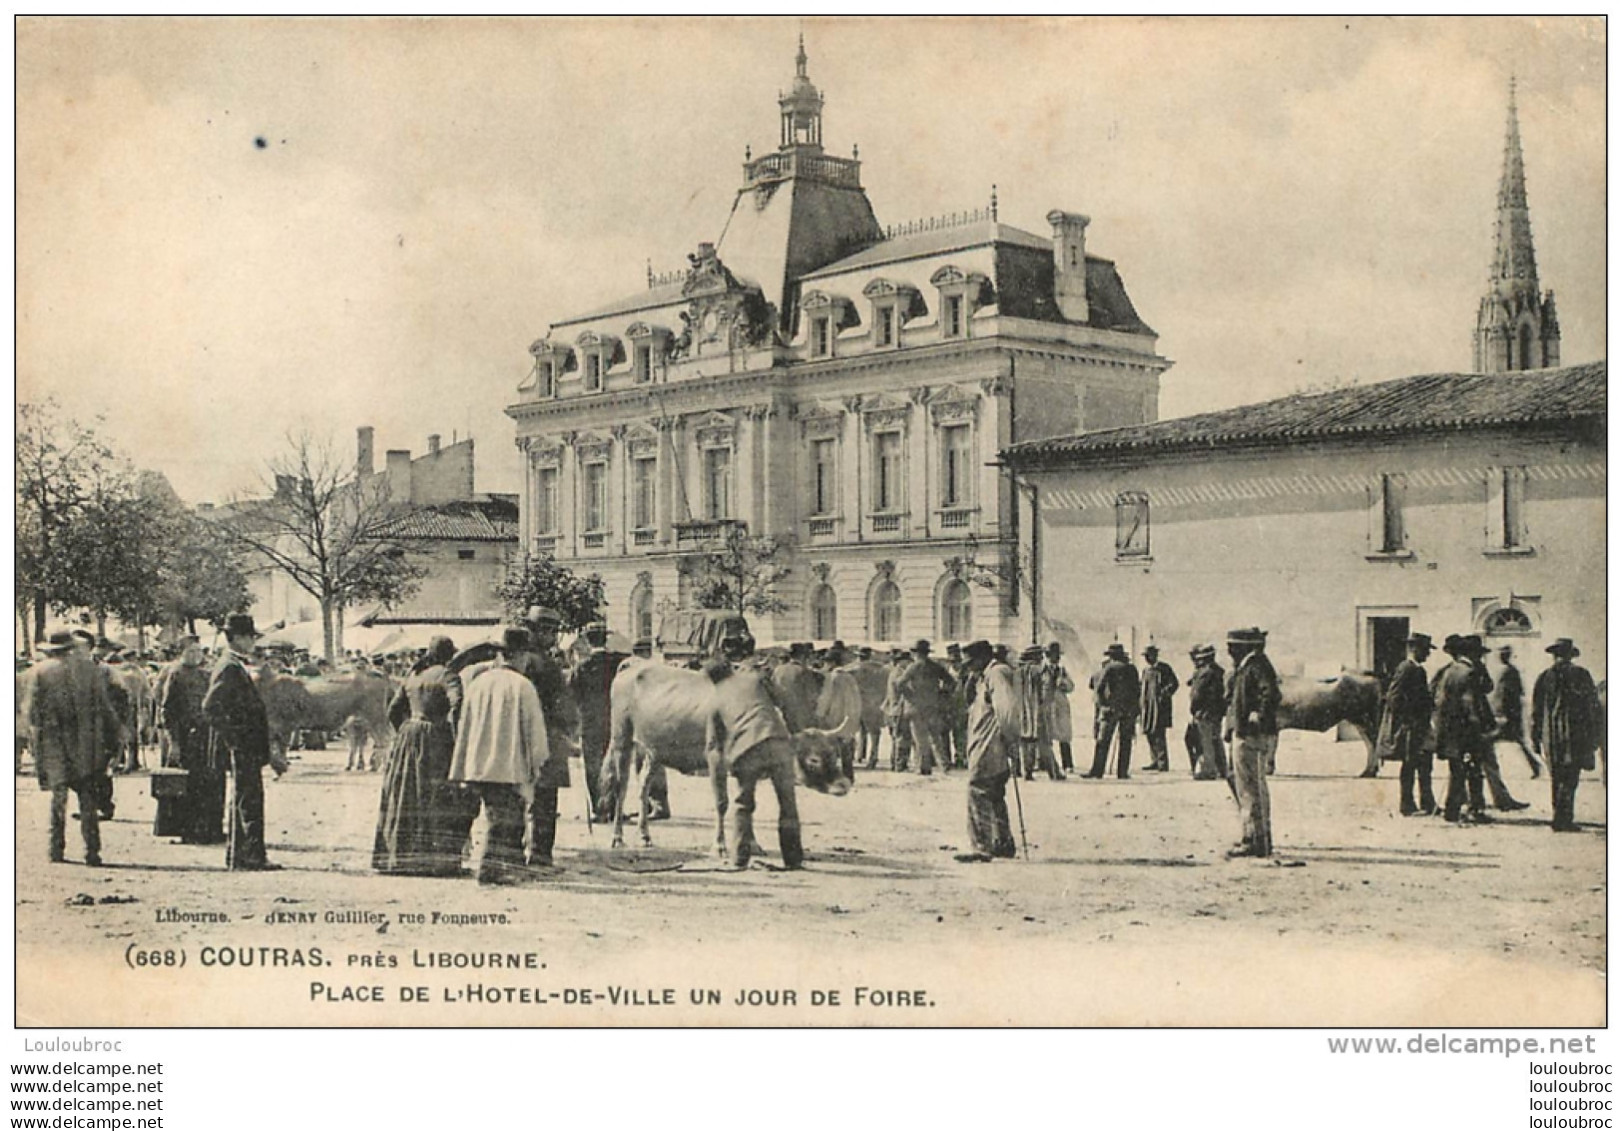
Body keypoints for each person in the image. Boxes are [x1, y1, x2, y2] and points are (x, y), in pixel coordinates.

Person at [449, 633, 550, 884]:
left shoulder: (478, 684)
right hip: (507, 766)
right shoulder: (523, 686)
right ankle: (489, 870)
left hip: (478, 763)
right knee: (504, 818)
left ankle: (507, 866)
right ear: (520, 655)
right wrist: (538, 761)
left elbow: (465, 724)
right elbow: (534, 729)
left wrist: (463, 761)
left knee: (500, 815)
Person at [704, 632, 803, 870]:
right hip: (777, 741)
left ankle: (739, 858)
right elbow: (785, 703)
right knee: (788, 802)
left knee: (743, 803)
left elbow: (714, 743)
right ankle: (793, 859)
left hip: (747, 749)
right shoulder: (757, 678)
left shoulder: (716, 696)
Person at [28, 629, 123, 866]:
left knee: (58, 798)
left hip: (54, 743)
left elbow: (32, 714)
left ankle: (56, 849)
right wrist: (115, 736)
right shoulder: (91, 670)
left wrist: (35, 743)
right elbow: (104, 706)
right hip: (86, 743)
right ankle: (92, 851)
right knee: (88, 798)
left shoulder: (40, 672)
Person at [373, 636, 465, 876]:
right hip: (436, 738)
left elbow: (393, 710)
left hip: (408, 735)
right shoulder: (448, 675)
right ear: (449, 654)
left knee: (405, 794)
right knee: (436, 796)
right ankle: (435, 861)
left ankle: (399, 858)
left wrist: (404, 731)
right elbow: (457, 707)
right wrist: (455, 737)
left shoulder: (413, 675)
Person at [202, 614, 284, 870]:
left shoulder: (232, 664)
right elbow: (211, 706)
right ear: (238, 638)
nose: (253, 643)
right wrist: (234, 739)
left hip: (245, 745)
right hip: (243, 745)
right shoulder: (229, 666)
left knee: (242, 798)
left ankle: (240, 855)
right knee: (249, 800)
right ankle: (252, 857)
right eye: (250, 637)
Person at [508, 614, 577, 867]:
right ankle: (540, 855)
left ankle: (514, 851)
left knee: (516, 795)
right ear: (542, 631)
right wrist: (569, 730)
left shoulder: (515, 661)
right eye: (551, 631)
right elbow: (563, 705)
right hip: (546, 735)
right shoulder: (547, 664)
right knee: (545, 799)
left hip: (515, 735)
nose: (552, 636)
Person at [1532, 638, 1603, 832]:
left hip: (1551, 737)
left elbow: (1536, 711)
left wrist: (1535, 737)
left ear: (1554, 655)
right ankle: (1563, 819)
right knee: (1571, 778)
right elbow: (1593, 707)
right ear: (1570, 655)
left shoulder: (1544, 676)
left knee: (1557, 776)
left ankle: (1559, 816)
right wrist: (1595, 734)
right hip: (1575, 736)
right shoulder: (1581, 674)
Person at [160, 635, 224, 844]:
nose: (196, 656)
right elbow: (167, 711)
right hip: (187, 737)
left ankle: (211, 828)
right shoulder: (176, 674)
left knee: (212, 783)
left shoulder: (206, 674)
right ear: (181, 653)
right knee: (190, 785)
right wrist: (174, 742)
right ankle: (188, 830)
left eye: (199, 651)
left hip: (207, 736)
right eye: (191, 652)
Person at [960, 639, 1021, 860]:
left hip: (991, 744)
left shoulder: (997, 674)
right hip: (988, 744)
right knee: (994, 794)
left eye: (971, 663)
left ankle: (981, 846)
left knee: (978, 790)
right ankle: (1002, 842)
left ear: (982, 658)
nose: (968, 667)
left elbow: (1006, 711)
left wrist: (1010, 739)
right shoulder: (985, 676)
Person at [1224, 627, 1280, 858]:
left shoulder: (1257, 665)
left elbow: (1271, 693)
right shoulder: (1246, 666)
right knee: (1246, 787)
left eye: (1232, 646)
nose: (1228, 650)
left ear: (1243, 647)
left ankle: (1257, 841)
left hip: (1251, 735)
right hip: (1242, 732)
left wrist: (1258, 713)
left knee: (1251, 788)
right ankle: (1251, 836)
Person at [570, 622, 628, 823]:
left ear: (587, 641)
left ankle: (599, 808)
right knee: (616, 763)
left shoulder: (582, 668)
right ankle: (615, 808)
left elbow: (573, 697)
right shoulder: (618, 664)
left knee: (593, 766)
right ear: (606, 639)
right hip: (616, 721)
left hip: (590, 723)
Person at [1463, 636, 1529, 813]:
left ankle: (1501, 799)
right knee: (1474, 766)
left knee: (1488, 763)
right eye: (1477, 654)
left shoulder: (1479, 668)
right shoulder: (1465, 670)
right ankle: (1472, 803)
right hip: (1472, 725)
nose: (1479, 657)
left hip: (1482, 723)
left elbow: (1488, 688)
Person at [1432, 634, 1492, 825]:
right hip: (1467, 730)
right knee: (1474, 771)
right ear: (1472, 654)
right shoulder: (1470, 672)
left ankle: (1452, 810)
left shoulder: (1450, 671)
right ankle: (1475, 809)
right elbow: (1470, 703)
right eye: (1478, 655)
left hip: (1449, 729)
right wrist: (1478, 729)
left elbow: (1439, 700)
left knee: (1456, 770)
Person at [1379, 632, 1437, 816]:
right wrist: (1406, 721)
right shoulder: (1407, 668)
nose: (1427, 654)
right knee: (1411, 765)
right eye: (1425, 650)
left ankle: (1427, 803)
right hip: (1412, 727)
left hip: (1419, 726)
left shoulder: (1417, 668)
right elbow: (1394, 698)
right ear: (1414, 649)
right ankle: (1408, 805)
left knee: (1424, 765)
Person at [897, 640, 954, 775]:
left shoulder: (913, 667)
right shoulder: (935, 666)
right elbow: (951, 681)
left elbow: (899, 684)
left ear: (915, 653)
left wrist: (910, 696)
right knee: (935, 737)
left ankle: (924, 766)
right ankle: (944, 765)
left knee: (920, 738)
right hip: (932, 705)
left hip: (916, 707)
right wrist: (942, 694)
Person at [1087, 643, 1139, 779]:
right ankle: (1122, 772)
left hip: (1110, 710)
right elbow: (1137, 692)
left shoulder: (1109, 668)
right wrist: (1134, 710)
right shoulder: (1132, 669)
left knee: (1103, 741)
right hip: (1127, 711)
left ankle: (1097, 771)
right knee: (1125, 742)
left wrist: (1103, 705)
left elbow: (1098, 689)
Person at [1492, 645, 1544, 779]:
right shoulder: (1510, 671)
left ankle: (1536, 766)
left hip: (1506, 715)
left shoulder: (1506, 672)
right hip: (1510, 714)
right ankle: (1536, 766)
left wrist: (1499, 713)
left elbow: (1501, 695)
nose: (1501, 657)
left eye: (1503, 655)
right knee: (1520, 742)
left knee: (1489, 740)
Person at [815, 642, 863, 782]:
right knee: (846, 747)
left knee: (830, 747)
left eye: (827, 662)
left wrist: (820, 713)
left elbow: (826, 698)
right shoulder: (849, 677)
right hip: (849, 716)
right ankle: (849, 776)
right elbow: (856, 698)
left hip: (834, 716)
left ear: (832, 663)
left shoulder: (832, 677)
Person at [1183, 644, 1228, 783]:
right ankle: (1222, 769)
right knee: (1215, 739)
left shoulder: (1205, 673)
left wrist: (1193, 709)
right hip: (1216, 712)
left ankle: (1208, 770)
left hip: (1203, 712)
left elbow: (1197, 695)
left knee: (1204, 740)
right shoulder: (1218, 671)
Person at [1016, 645, 1061, 780]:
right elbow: (1047, 690)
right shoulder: (1041, 670)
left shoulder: (1017, 671)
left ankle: (1027, 772)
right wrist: (1046, 705)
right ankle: (1053, 772)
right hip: (1037, 710)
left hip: (1022, 711)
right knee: (1044, 742)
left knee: (1025, 741)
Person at [1139, 645, 1180, 772]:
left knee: (1159, 734)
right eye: (1145, 656)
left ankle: (1163, 763)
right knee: (1149, 732)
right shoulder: (1146, 670)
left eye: (1149, 656)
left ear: (1155, 655)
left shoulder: (1164, 668)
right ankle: (1154, 761)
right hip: (1147, 707)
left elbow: (1174, 683)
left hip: (1159, 708)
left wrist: (1163, 694)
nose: (1147, 658)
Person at [851, 646, 889, 770]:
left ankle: (859, 755)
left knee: (857, 731)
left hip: (858, 703)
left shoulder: (855, 668)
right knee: (874, 733)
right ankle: (872, 757)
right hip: (874, 703)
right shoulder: (881, 669)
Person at [771, 642, 822, 734]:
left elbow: (773, 690)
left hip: (783, 713)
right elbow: (812, 694)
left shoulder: (778, 670)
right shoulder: (803, 671)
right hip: (802, 714)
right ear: (803, 656)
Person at [1043, 642, 1077, 773]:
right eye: (1053, 655)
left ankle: (1067, 764)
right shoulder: (1042, 670)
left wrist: (1063, 683)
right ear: (1048, 656)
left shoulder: (1062, 671)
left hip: (1060, 704)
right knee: (1046, 735)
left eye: (1058, 656)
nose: (1056, 658)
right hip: (1047, 703)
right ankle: (1046, 764)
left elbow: (1071, 686)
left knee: (1064, 735)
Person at [882, 650, 913, 771]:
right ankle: (900, 763)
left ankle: (896, 763)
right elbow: (905, 690)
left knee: (898, 737)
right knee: (902, 737)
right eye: (907, 661)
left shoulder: (895, 672)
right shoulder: (899, 674)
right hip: (899, 709)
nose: (909, 663)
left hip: (894, 709)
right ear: (901, 662)